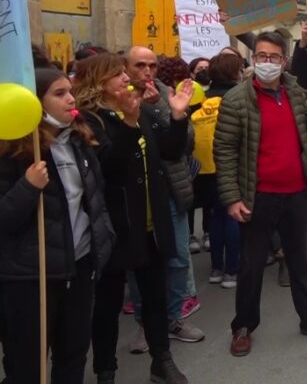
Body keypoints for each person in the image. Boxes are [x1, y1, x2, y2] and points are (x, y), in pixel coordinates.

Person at [214, 31, 307, 357]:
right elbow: (224, 152)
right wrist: (232, 198)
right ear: (252, 59)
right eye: (260, 57)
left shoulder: (296, 94)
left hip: (296, 193)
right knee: (251, 266)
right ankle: (243, 325)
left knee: (299, 261)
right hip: (257, 196)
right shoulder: (237, 99)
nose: (266, 63)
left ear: (283, 61)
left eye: (272, 57)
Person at [76, 53, 192, 384]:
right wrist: (128, 122)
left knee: (154, 297)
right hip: (115, 228)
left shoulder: (135, 109)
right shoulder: (90, 120)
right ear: (99, 82)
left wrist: (178, 115)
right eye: (118, 75)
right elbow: (107, 168)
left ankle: (162, 359)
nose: (127, 78)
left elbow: (170, 151)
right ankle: (105, 369)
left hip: (150, 223)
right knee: (107, 305)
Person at [0, 68, 114, 384]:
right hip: (31, 277)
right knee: (28, 366)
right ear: (35, 102)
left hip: (78, 268)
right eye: (59, 93)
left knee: (73, 356)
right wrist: (28, 186)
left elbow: (94, 199)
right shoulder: (11, 150)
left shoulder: (78, 140)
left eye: (70, 91)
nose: (70, 99)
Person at [123, 48, 204, 346]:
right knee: (140, 261)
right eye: (140, 65)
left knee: (179, 258)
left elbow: (186, 142)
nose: (147, 71)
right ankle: (146, 324)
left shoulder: (166, 94)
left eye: (152, 65)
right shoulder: (118, 97)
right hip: (137, 194)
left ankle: (172, 319)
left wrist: (162, 109)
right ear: (125, 68)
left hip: (171, 189)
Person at [192, 54, 242, 289]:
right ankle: (232, 270)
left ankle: (215, 268)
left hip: (205, 170)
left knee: (214, 216)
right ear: (235, 73)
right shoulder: (237, 98)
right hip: (233, 167)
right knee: (233, 216)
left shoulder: (202, 100)